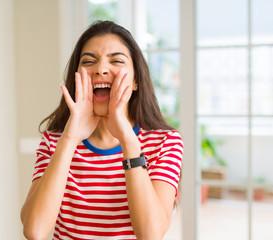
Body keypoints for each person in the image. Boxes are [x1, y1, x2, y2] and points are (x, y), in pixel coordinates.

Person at [20, 21, 183, 240]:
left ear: (135, 81)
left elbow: (150, 234)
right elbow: (35, 230)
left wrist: (128, 140)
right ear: (76, 78)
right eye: (89, 61)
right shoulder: (56, 140)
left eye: (116, 60)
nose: (100, 69)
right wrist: (69, 140)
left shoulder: (165, 142)